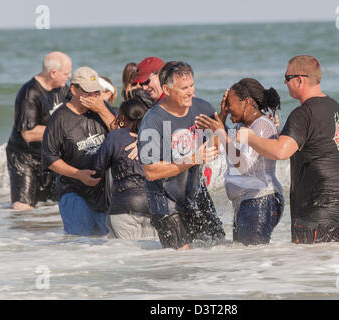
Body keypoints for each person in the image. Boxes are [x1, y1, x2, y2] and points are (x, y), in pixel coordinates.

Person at [236, 55, 339, 244]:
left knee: (311, 260)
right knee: (336, 256)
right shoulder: (333, 106)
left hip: (323, 199)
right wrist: (278, 132)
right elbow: (314, 144)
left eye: (287, 78)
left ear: (300, 79)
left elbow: (281, 152)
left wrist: (250, 136)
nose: (284, 82)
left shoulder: (302, 113)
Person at [138, 61, 225, 250]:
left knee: (218, 247)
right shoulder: (153, 120)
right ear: (167, 90)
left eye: (192, 85)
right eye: (184, 88)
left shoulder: (201, 108)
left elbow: (216, 147)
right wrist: (191, 159)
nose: (190, 92)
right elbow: (150, 171)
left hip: (196, 194)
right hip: (166, 202)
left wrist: (219, 131)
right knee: (181, 259)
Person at [195, 78, 284, 246]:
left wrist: (222, 133)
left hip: (261, 200)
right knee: (244, 262)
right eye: (225, 105)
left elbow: (244, 166)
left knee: (253, 262)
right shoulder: (239, 128)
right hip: (246, 204)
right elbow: (213, 148)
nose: (228, 108)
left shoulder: (262, 126)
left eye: (230, 104)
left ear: (247, 102)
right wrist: (222, 116)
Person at [41, 66, 116, 236]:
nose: (94, 97)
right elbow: (49, 158)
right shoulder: (59, 119)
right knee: (81, 243)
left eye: (97, 92)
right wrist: (78, 174)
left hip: (103, 193)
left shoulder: (102, 109)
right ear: (73, 89)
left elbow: (122, 134)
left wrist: (103, 110)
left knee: (107, 245)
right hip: (73, 191)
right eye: (88, 93)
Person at [6, 51, 72, 211]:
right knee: (24, 206)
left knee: (52, 205)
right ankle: (19, 235)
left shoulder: (62, 89)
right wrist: (61, 131)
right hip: (25, 158)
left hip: (49, 157)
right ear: (53, 73)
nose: (69, 76)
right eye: (66, 73)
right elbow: (28, 133)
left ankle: (46, 236)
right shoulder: (30, 93)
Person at [95, 98, 157, 239]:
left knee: (126, 255)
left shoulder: (115, 137)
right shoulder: (154, 138)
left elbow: (98, 168)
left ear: (122, 118)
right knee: (151, 255)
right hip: (153, 206)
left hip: (124, 206)